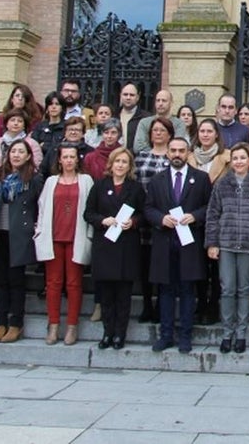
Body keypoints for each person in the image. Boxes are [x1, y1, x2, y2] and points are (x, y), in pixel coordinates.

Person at [144, 137, 212, 354]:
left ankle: (185, 335)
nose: (177, 154)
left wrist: (195, 216)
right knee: (165, 291)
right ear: (167, 153)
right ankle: (165, 335)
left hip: (189, 243)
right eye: (173, 150)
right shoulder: (157, 180)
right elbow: (148, 208)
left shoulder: (201, 179)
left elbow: (209, 206)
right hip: (164, 242)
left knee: (187, 291)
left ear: (188, 152)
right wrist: (160, 218)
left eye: (181, 151)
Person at [205, 142, 249, 354]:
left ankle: (241, 333)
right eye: (235, 158)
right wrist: (212, 242)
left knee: (244, 290)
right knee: (227, 289)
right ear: (231, 161)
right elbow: (212, 215)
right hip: (225, 244)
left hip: (248, 245)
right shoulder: (222, 184)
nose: (239, 162)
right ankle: (227, 333)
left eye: (243, 158)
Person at [84, 146, 144, 349]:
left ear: (129, 166)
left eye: (124, 162)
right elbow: (88, 214)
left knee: (123, 296)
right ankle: (107, 333)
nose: (120, 165)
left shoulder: (135, 188)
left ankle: (120, 334)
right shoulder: (99, 186)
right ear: (111, 164)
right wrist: (103, 220)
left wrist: (133, 222)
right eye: (117, 161)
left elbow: (144, 214)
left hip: (126, 247)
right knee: (106, 295)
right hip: (105, 246)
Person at [0, 139, 42, 343]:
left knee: (16, 280)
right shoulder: (0, 176)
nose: (16, 155)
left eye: (21, 151)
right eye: (13, 151)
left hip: (19, 235)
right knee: (1, 281)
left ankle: (16, 323)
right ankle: (0, 323)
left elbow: (39, 206)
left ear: (28, 156)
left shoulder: (34, 179)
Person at [35, 144, 93, 346]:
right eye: (65, 157)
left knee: (74, 283)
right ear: (59, 160)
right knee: (53, 283)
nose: (69, 160)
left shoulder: (86, 181)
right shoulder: (51, 181)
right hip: (53, 237)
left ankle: (71, 326)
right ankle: (53, 325)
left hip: (76, 237)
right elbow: (42, 207)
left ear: (78, 159)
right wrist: (39, 231)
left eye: (72, 156)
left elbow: (91, 207)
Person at [134, 116, 175, 323]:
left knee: (163, 265)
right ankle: (146, 304)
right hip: (145, 218)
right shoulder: (140, 157)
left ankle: (161, 304)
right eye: (155, 130)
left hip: (167, 219)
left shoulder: (174, 157)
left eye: (162, 130)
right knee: (144, 264)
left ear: (169, 134)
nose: (158, 133)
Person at [133, 89, 183, 153]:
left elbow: (178, 146)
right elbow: (138, 147)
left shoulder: (179, 124)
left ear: (171, 103)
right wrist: (156, 153)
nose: (160, 103)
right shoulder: (144, 122)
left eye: (164, 101)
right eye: (158, 100)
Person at [189, 118, 230, 184]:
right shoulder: (189, 157)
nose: (205, 135)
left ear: (216, 134)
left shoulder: (228, 156)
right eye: (202, 131)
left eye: (209, 131)